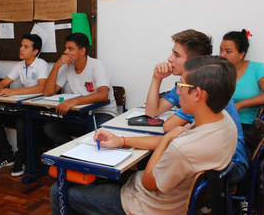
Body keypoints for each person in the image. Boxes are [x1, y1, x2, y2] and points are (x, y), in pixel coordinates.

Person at [50, 55, 238, 214]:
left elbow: (149, 182)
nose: (178, 91)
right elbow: (172, 141)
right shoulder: (224, 122)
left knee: (58, 190)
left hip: (147, 205)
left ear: (197, 94)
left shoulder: (183, 150)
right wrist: (121, 140)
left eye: (181, 85)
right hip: (173, 196)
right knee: (100, 178)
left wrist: (166, 139)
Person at [145, 29, 248, 184]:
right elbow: (152, 112)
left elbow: (168, 127)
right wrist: (156, 78)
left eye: (176, 55)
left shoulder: (199, 92)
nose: (169, 59)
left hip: (230, 165)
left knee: (154, 164)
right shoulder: (186, 85)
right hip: (219, 156)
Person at [0, 34, 49, 177]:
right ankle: (7, 155)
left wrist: (13, 91)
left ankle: (21, 160)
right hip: (21, 109)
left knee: (22, 122)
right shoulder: (20, 65)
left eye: (26, 47)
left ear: (35, 51)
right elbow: (5, 81)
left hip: (37, 111)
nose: (21, 49)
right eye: (21, 45)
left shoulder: (41, 64)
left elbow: (41, 88)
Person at [43, 32, 117, 146]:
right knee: (50, 127)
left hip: (103, 113)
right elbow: (48, 92)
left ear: (82, 51)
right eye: (66, 48)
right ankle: (73, 153)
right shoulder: (67, 67)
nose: (66, 52)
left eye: (70, 49)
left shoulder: (97, 66)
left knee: (95, 136)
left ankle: (80, 156)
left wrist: (73, 102)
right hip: (83, 113)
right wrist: (56, 66)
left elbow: (103, 95)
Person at [220, 29, 264, 136]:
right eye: (221, 50)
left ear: (241, 54)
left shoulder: (257, 69)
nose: (222, 55)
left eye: (228, 51)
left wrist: (241, 104)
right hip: (222, 123)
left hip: (248, 126)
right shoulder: (219, 71)